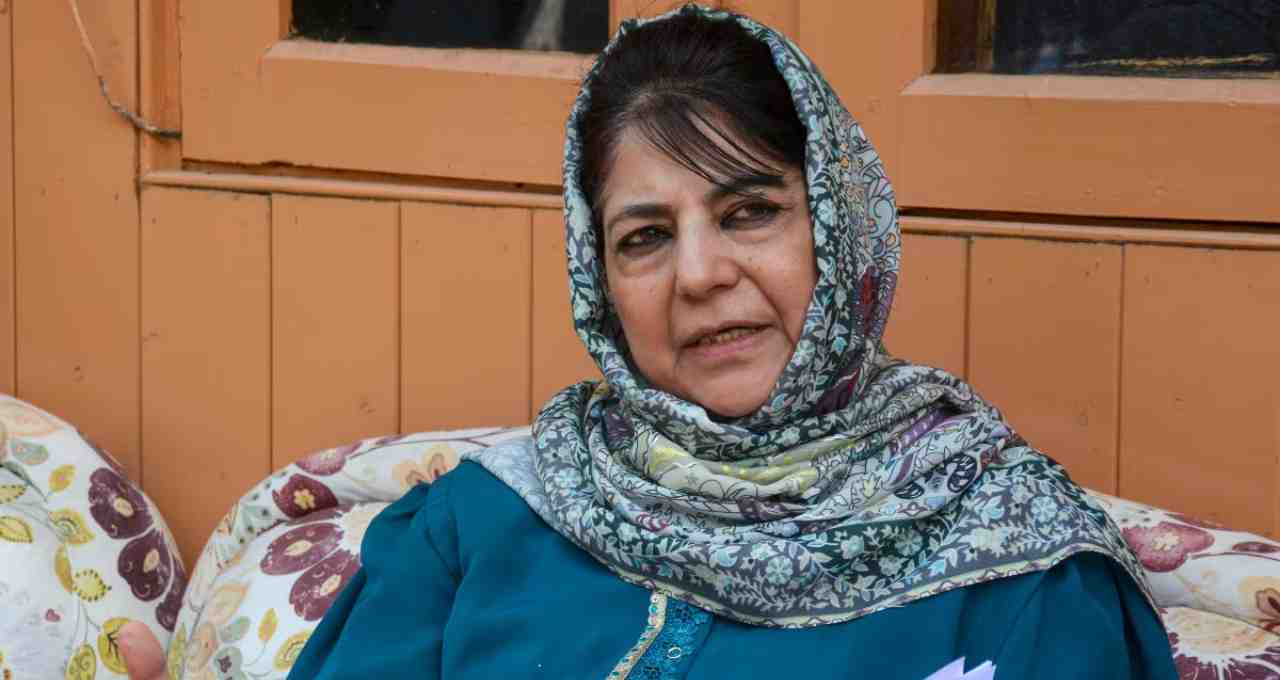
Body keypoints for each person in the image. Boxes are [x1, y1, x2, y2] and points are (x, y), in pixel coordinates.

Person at [120, 5, 1178, 678]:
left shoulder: (1018, 561)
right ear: (599, 283)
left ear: (842, 226)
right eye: (644, 237)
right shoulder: (482, 523)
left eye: (750, 211)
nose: (699, 274)